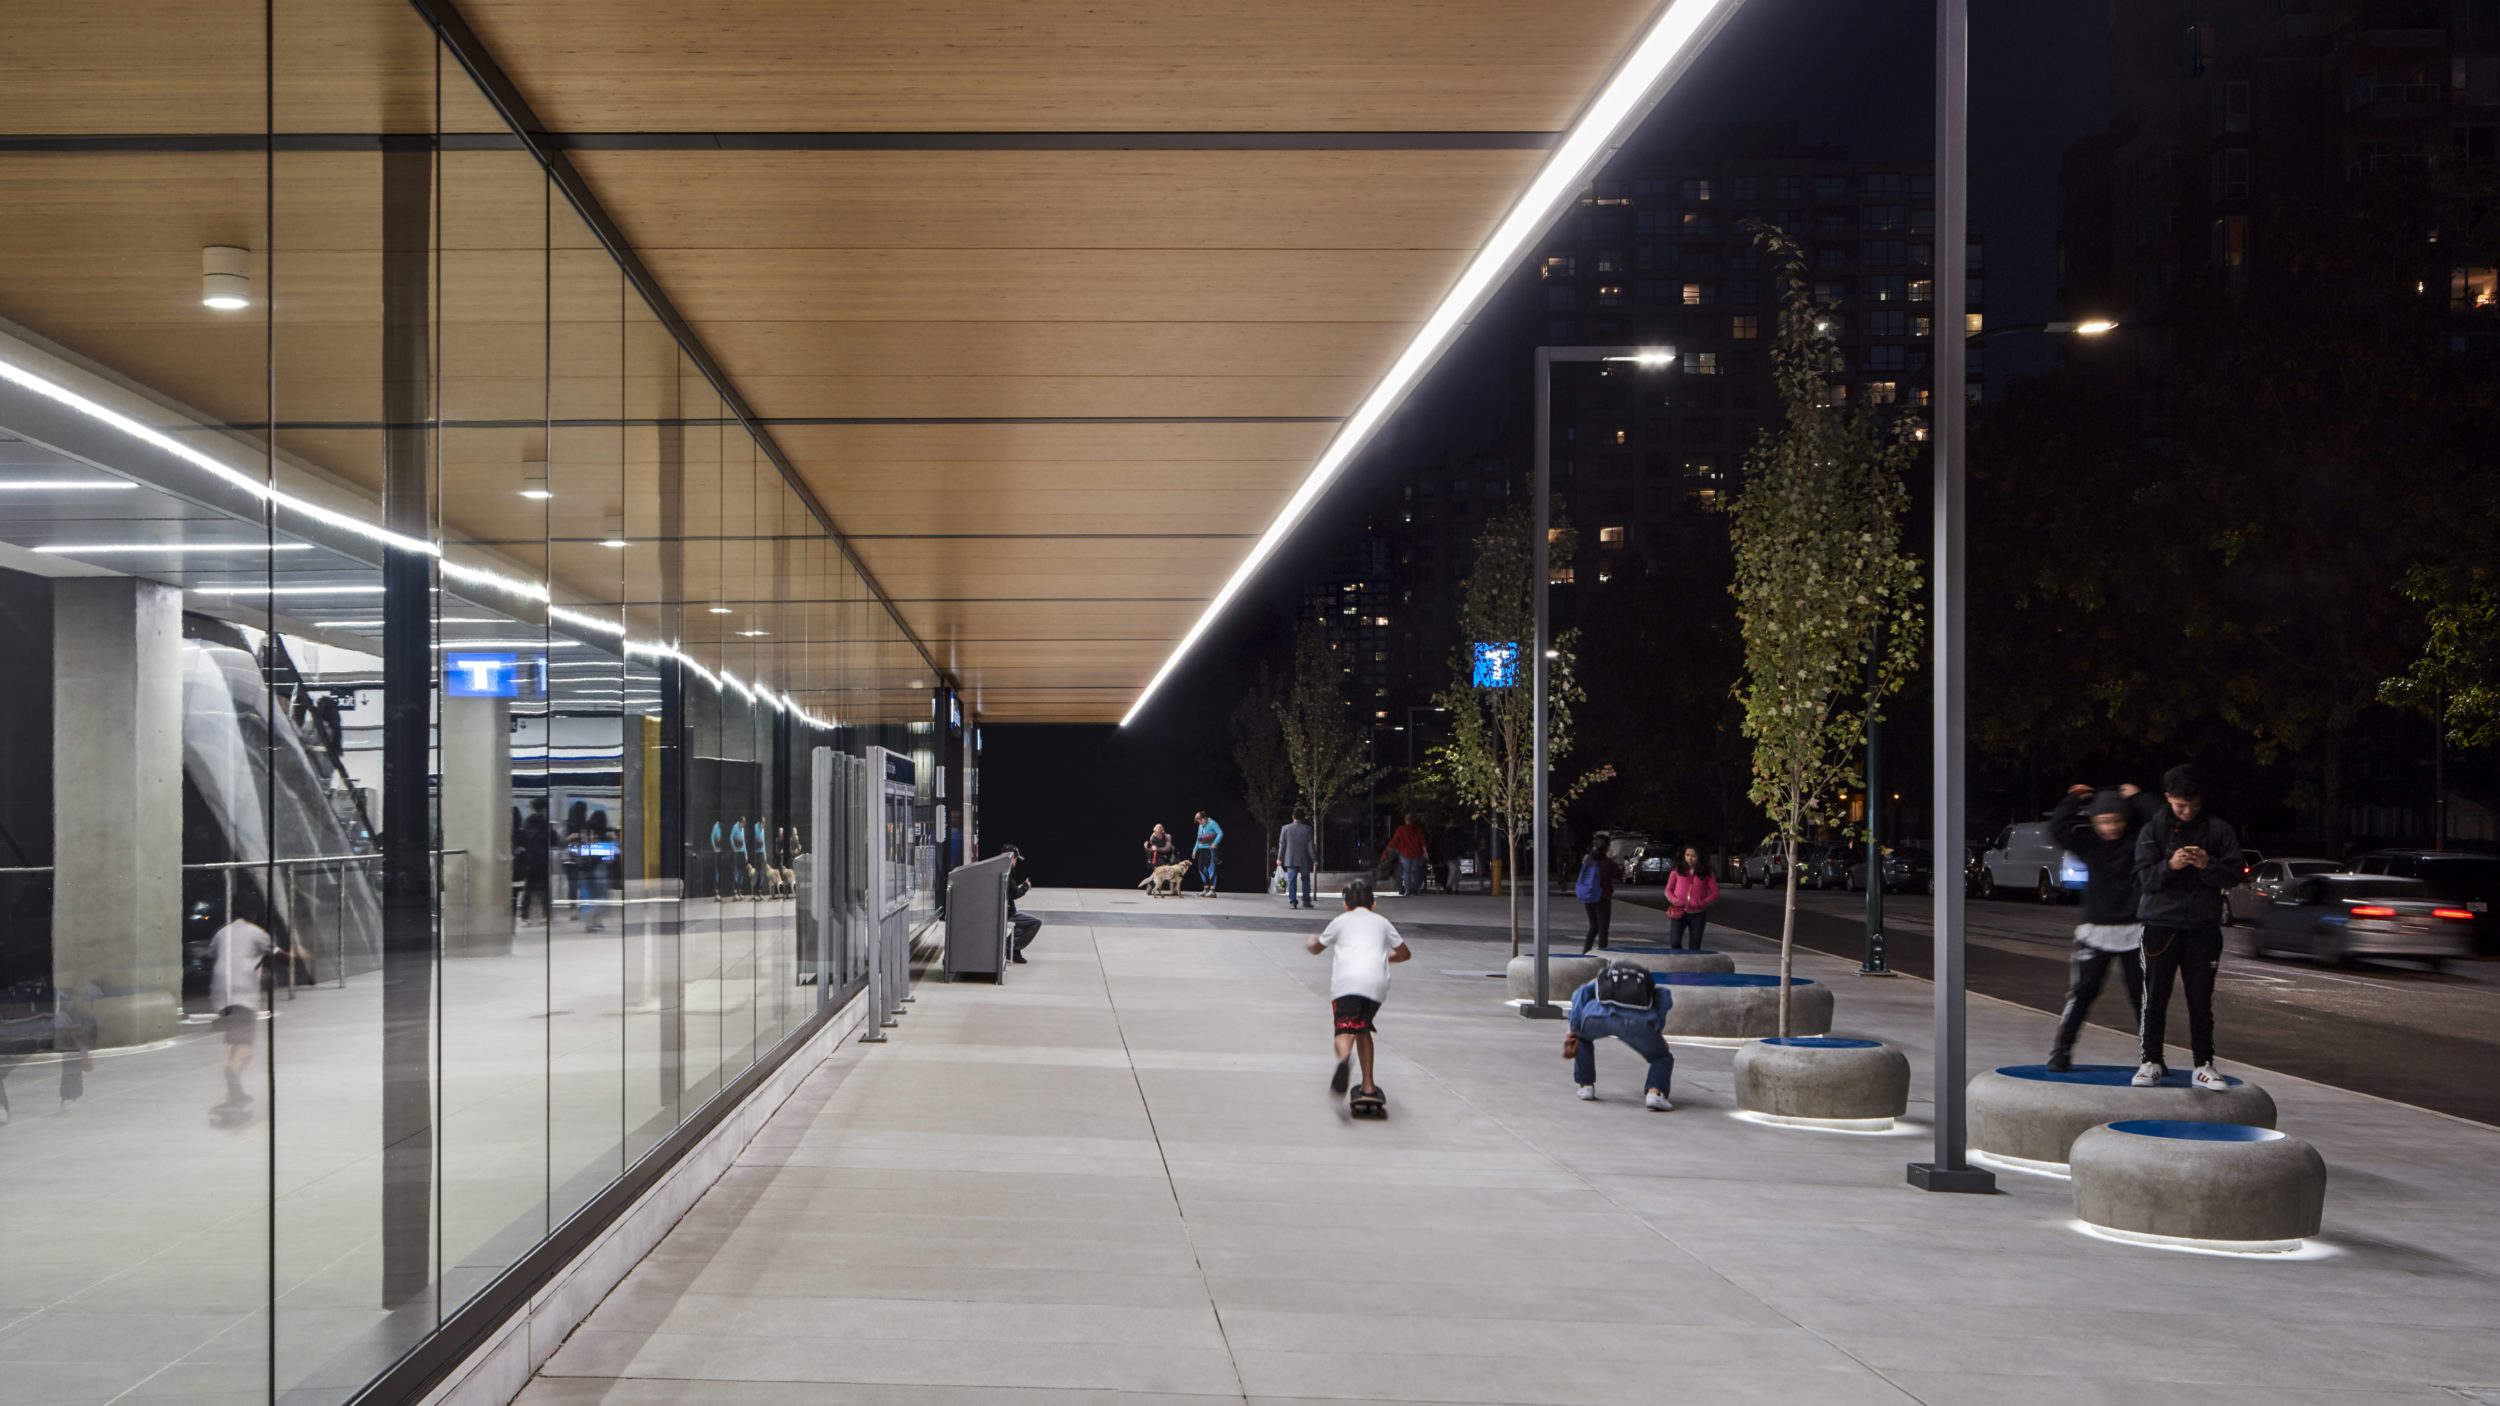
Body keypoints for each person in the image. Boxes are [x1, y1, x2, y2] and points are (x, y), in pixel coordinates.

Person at [2133, 765, 2245, 1090]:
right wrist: (2170, 865)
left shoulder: (2219, 830)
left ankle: (2203, 1065)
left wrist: (2208, 865)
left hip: (2203, 927)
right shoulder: (2152, 831)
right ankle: (2150, 1061)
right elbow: (2141, 880)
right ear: (2168, 798)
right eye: (2181, 804)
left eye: (2193, 804)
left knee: (2201, 1000)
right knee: (2155, 996)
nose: (2188, 810)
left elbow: (2236, 875)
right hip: (2160, 924)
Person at [2044, 782, 2158, 1071]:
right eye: (2104, 822)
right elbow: (2057, 830)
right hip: (2095, 930)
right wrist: (2072, 800)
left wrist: (2140, 798)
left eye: (2117, 821)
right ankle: (2061, 1051)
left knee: (2142, 998)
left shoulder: (2137, 843)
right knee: (2083, 994)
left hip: (2134, 931)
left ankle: (2152, 1057)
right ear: (2093, 821)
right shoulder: (2089, 845)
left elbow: (2159, 822)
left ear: (2126, 819)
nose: (2110, 828)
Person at [1305, 878, 1410, 1111]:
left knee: (1345, 1029)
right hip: (1376, 986)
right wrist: (1384, 958)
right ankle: (1368, 1086)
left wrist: (1311, 941)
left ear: (1345, 905)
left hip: (1347, 983)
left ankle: (1344, 1060)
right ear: (1373, 905)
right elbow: (1404, 954)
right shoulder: (1382, 923)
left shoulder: (1340, 921)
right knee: (1362, 1027)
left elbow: (1317, 948)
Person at [208, 888, 301, 1111]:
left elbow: (212, 954)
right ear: (255, 914)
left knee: (237, 1040)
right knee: (246, 1047)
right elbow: (283, 959)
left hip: (220, 994)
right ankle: (232, 1071)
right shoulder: (257, 932)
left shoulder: (222, 933)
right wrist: (300, 956)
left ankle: (235, 1091)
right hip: (243, 993)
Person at [1564, 961, 1675, 1110]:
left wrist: (1574, 1028)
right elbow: (1664, 996)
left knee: (1582, 1039)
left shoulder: (1604, 978)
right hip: (1638, 1023)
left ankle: (1586, 1087)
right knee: (1662, 1057)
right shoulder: (1646, 982)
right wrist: (1657, 1032)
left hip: (1597, 1017)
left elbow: (1580, 993)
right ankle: (1654, 1093)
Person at [1664, 846, 1719, 950]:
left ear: (1698, 857)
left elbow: (1715, 892)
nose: (1690, 858)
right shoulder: (1677, 870)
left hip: (1698, 914)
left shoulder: (1706, 872)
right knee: (1674, 942)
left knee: (1695, 945)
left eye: (1693, 856)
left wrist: (1703, 902)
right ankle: (1679, 961)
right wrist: (1674, 900)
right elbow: (1668, 890)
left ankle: (1692, 964)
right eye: (1687, 855)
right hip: (1679, 912)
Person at [1574, 835, 1622, 954]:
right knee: (1603, 929)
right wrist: (1613, 860)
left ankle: (1585, 951)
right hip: (1602, 897)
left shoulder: (1588, 861)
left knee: (1593, 927)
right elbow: (1619, 875)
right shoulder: (1607, 862)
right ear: (1606, 847)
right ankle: (1602, 952)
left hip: (1589, 896)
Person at [517, 798, 552, 921]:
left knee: (529, 888)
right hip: (543, 859)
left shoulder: (527, 822)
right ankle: (546, 914)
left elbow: (523, 839)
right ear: (543, 809)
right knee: (545, 889)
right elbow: (553, 839)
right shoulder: (545, 823)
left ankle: (525, 915)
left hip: (531, 859)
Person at [1382, 813, 1431, 896]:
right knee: (1415, 872)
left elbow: (1395, 840)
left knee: (1406, 873)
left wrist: (1388, 851)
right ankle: (1415, 890)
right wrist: (1425, 851)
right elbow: (1422, 841)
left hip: (1405, 853)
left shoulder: (1401, 829)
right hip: (1416, 853)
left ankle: (1408, 890)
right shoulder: (1418, 829)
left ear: (1406, 820)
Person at [1278, 807, 1317, 909]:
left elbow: (1282, 845)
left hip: (1290, 859)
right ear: (1302, 818)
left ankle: (1293, 901)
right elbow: (1310, 846)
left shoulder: (1285, 828)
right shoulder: (1307, 829)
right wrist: (1314, 859)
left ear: (1293, 817)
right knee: (1305, 880)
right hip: (1304, 859)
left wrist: (1279, 858)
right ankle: (1306, 901)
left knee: (1292, 881)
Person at [1005, 845, 1039, 962]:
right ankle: (1013, 950)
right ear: (1011, 858)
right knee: (1035, 923)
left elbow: (1011, 890)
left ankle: (1011, 948)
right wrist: (1025, 887)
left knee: (1019, 929)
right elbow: (1015, 894)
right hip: (1008, 913)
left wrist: (1018, 887)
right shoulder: (1007, 874)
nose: (1016, 862)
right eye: (1015, 859)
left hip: (1005, 911)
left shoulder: (1002, 871)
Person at [1192, 811, 1223, 896]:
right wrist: (1195, 850)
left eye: (1200, 821)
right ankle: (1206, 889)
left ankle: (1212, 891)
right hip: (1202, 850)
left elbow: (1220, 833)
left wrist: (1215, 843)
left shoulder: (1213, 823)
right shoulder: (1200, 826)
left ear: (1204, 818)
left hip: (1210, 850)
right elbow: (1199, 838)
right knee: (1201, 869)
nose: (1199, 823)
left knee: (1211, 869)